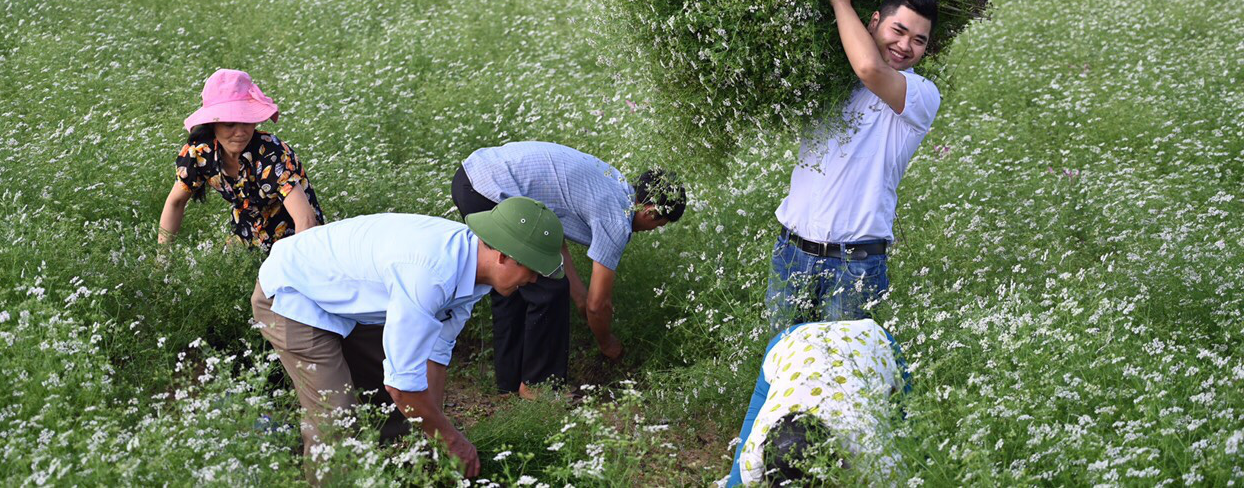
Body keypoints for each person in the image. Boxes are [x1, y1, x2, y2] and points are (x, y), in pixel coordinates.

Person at [252, 196, 565, 479]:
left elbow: (435, 353)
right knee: (337, 417)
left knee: (397, 403)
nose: (534, 280)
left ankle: (406, 473)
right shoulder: (431, 274)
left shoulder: (476, 271)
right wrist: (452, 440)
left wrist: (436, 438)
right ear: (504, 256)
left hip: (350, 299)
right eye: (533, 270)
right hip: (294, 294)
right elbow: (402, 386)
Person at [768, 0, 943, 328]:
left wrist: (840, 1)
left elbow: (869, 68)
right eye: (898, 31)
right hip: (791, 253)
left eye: (918, 40)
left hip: (854, 267)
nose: (905, 46)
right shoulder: (829, 79)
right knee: (779, 359)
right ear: (874, 22)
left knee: (845, 365)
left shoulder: (920, 94)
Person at [452, 141, 686, 398]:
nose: (652, 230)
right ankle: (539, 387)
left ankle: (509, 385)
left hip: (475, 176)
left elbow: (549, 242)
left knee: (513, 286)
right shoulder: (616, 218)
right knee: (548, 290)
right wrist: (607, 342)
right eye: (659, 225)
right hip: (488, 189)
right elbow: (598, 306)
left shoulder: (615, 184)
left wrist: (580, 297)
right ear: (650, 213)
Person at [726, 318, 911, 486]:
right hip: (789, 345)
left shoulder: (873, 455)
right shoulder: (753, 460)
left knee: (913, 434)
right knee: (735, 481)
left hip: (870, 339)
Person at [157, 69, 324, 252]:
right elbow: (175, 203)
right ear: (213, 124)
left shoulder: (270, 153)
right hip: (246, 234)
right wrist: (163, 259)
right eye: (229, 124)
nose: (240, 132)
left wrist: (294, 262)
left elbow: (305, 220)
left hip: (295, 238)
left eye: (247, 121)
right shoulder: (200, 153)